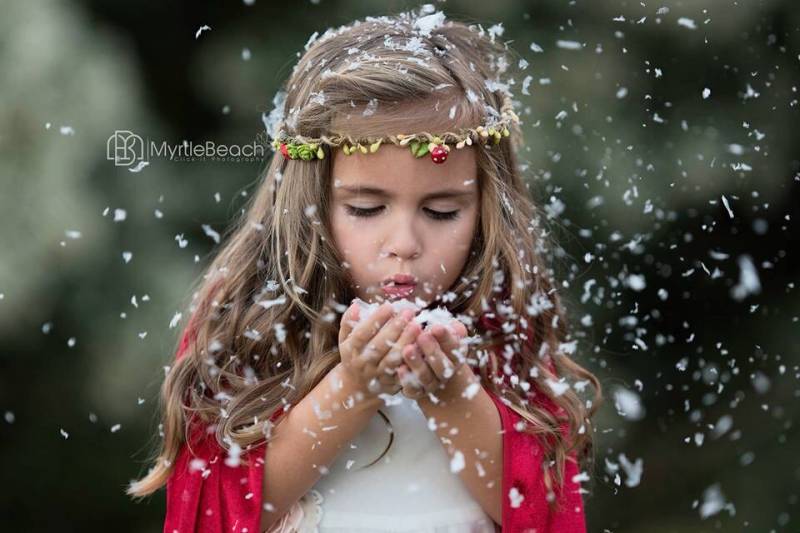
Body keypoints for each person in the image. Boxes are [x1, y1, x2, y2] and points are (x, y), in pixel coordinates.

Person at [127, 5, 603, 532]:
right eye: (365, 209)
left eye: (442, 211)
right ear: (309, 203)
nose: (403, 244)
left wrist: (452, 395)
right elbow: (220, 512)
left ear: (487, 207)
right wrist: (353, 387)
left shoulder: (502, 326)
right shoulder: (250, 325)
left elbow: (538, 512)